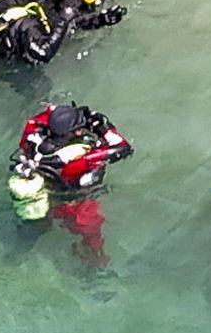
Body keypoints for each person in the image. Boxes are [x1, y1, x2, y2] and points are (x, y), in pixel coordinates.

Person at [10, 98, 132, 257]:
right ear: (74, 133)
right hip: (75, 205)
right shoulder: (77, 160)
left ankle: (25, 245)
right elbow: (123, 148)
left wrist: (65, 115)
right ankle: (95, 262)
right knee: (92, 237)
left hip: (45, 193)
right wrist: (103, 126)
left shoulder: (32, 139)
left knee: (38, 226)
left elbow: (40, 118)